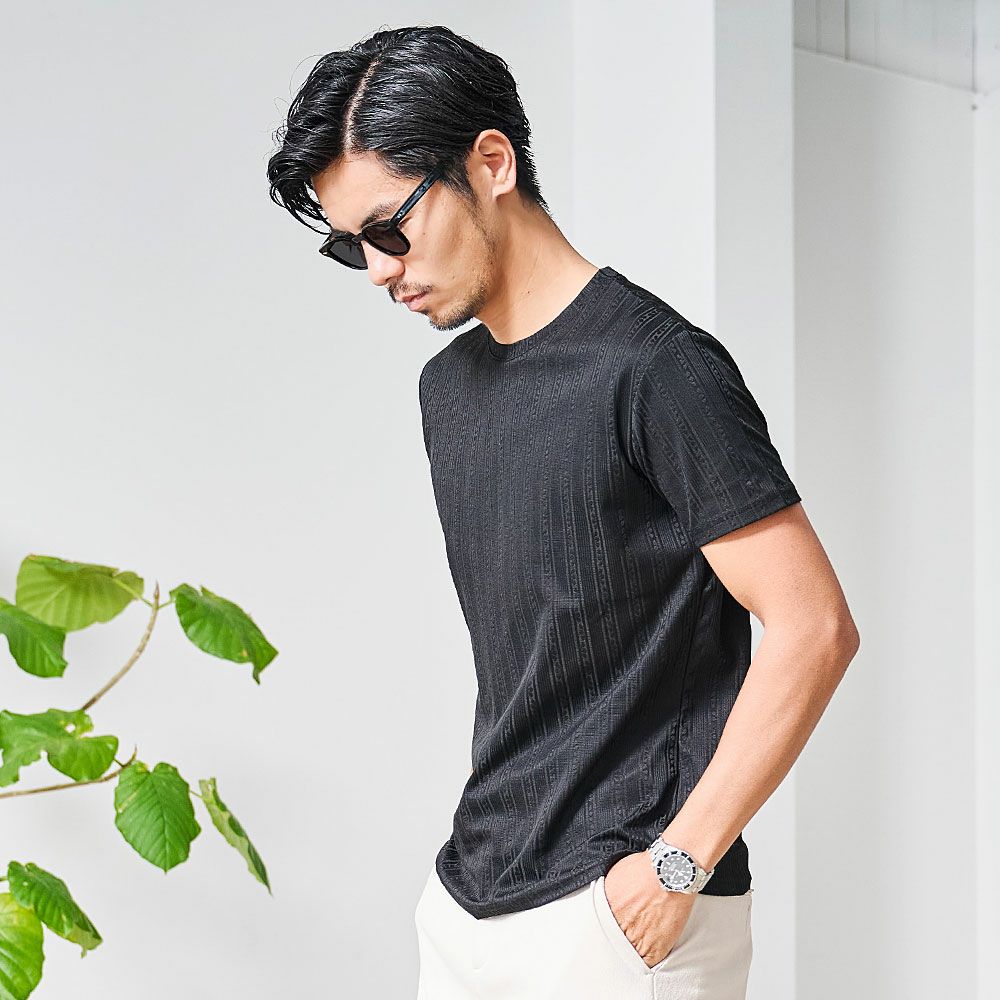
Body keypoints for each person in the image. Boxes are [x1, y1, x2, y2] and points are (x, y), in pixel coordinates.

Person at [267, 24, 860, 1000]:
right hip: (469, 902)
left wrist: (676, 868)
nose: (377, 269)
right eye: (348, 246)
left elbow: (815, 625)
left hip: (620, 915)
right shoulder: (447, 390)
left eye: (388, 228)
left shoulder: (658, 369)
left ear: (490, 162)